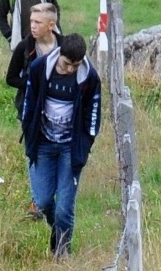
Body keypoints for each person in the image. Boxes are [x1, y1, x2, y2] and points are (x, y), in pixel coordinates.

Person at [21, 32, 102, 259]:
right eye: (67, 64)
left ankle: (62, 253)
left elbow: (93, 116)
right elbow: (28, 104)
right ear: (60, 55)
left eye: (75, 66)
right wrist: (29, 135)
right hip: (42, 145)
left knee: (64, 208)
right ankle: (55, 230)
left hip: (70, 148)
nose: (70, 70)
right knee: (43, 201)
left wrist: (83, 147)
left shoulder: (90, 79)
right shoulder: (39, 68)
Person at [6, 0, 60, 119]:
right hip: (30, 108)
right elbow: (11, 78)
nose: (32, 26)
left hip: (58, 110)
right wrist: (32, 84)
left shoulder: (63, 46)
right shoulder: (24, 47)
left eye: (38, 22)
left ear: (51, 25)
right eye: (31, 21)